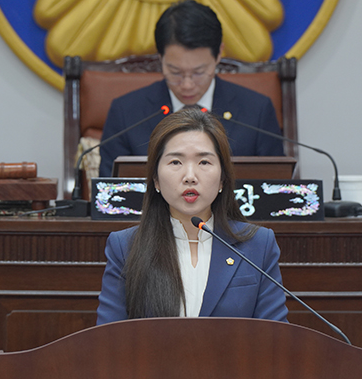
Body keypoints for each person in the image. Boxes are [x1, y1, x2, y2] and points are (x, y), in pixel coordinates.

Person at [96, 106, 288, 324]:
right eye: (175, 162)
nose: (190, 176)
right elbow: (108, 341)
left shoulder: (258, 245)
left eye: (204, 162)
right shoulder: (124, 247)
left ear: (223, 179)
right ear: (156, 180)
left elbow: (276, 340)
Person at [99, 0, 284, 177]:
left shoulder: (257, 111)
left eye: (199, 72)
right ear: (160, 58)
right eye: (175, 72)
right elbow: (108, 194)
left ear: (219, 54)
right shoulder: (126, 113)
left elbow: (277, 189)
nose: (187, 85)